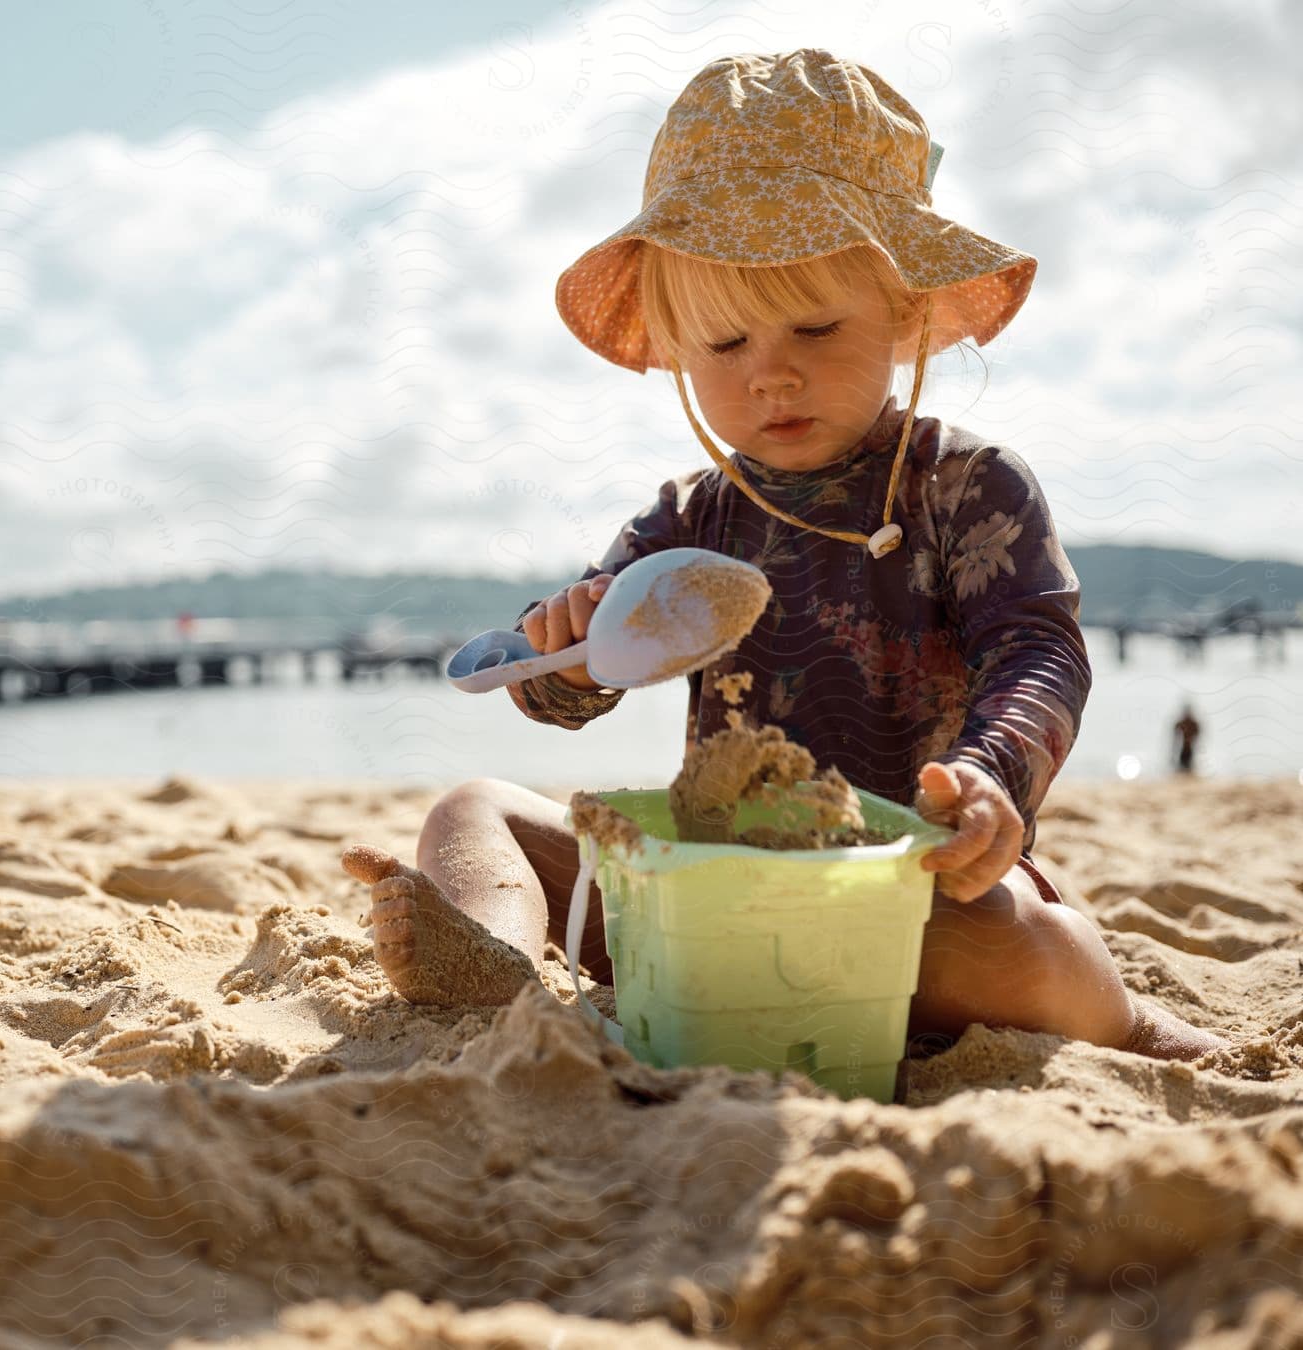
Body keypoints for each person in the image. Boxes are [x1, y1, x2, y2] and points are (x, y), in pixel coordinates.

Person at [341, 49, 1225, 1061]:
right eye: (725, 347)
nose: (772, 376)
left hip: (910, 882)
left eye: (814, 325)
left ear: (903, 311)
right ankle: (492, 962)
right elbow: (573, 693)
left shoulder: (965, 488)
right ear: (675, 346)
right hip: (713, 890)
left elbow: (1038, 651)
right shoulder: (689, 522)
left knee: (1021, 951)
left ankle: (1119, 1018)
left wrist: (988, 781)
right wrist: (561, 654)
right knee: (474, 808)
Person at [1172, 703, 1201, 774]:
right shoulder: (1186, 723)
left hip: (1188, 749)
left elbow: (1197, 732)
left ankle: (1187, 776)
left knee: (1187, 767)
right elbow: (1176, 731)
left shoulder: (1192, 723)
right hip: (1185, 748)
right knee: (1183, 767)